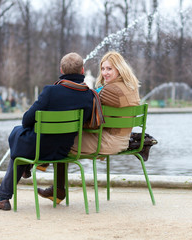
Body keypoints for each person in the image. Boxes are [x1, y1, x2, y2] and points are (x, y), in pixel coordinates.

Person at [0, 52, 102, 211]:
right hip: (65, 150)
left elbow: (27, 120)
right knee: (24, 139)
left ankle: (4, 197)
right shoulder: (88, 96)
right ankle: (9, 190)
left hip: (39, 150)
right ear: (82, 71)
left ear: (61, 70)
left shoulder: (51, 91)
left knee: (18, 133)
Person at [37, 51, 141, 202]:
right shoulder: (131, 88)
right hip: (122, 139)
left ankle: (55, 185)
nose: (105, 73)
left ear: (119, 69)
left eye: (109, 69)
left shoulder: (110, 91)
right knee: (65, 135)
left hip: (108, 141)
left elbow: (90, 120)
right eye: (103, 69)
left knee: (62, 136)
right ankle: (53, 180)